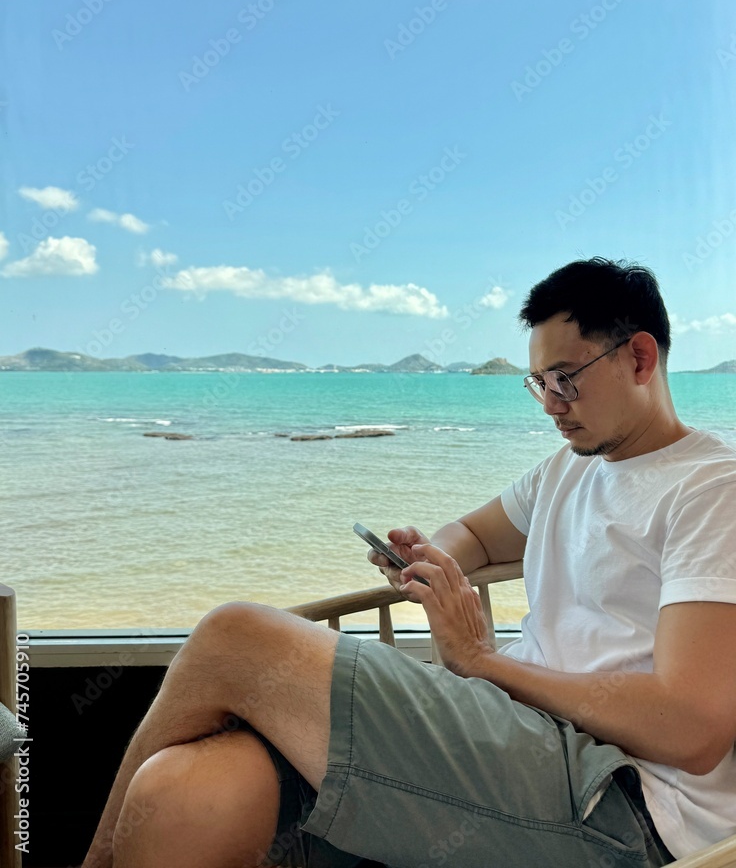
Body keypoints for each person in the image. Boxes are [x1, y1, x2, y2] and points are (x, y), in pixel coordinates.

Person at [82, 257, 736, 868]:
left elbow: (691, 728)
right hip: (526, 741)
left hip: (626, 803)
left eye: (566, 378)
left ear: (640, 358)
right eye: (538, 382)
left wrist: (485, 664)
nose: (551, 404)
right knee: (186, 791)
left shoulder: (711, 491)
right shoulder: (569, 471)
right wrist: (430, 557)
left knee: (233, 637)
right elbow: (476, 537)